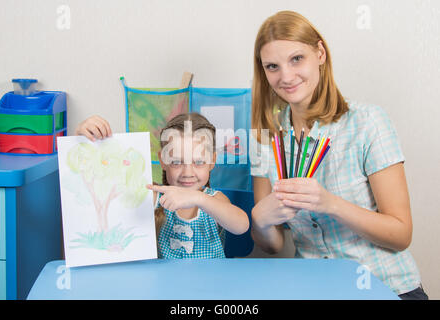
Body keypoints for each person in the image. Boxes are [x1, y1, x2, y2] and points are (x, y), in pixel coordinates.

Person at [249, 10, 427, 300]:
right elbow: (272, 245)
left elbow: (401, 234)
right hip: (314, 291)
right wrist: (260, 220)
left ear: (319, 53)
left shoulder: (368, 122)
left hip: (387, 288)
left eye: (297, 59)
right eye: (272, 66)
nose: (286, 76)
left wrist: (330, 204)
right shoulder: (264, 139)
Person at [76, 112, 249, 259]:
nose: (188, 172)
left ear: (212, 161)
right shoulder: (153, 197)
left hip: (210, 288)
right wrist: (83, 140)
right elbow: (103, 185)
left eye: (198, 162)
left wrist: (198, 198)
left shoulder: (213, 200)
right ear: (163, 160)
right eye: (176, 162)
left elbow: (241, 226)